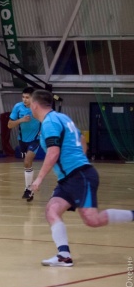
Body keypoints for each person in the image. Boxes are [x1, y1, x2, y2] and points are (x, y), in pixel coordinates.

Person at [29, 89, 134, 267]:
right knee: (52, 210)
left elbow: (53, 152)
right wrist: (79, 159)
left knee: (92, 220)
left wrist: (39, 179)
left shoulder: (49, 122)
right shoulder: (63, 118)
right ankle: (64, 256)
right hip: (70, 177)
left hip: (79, 175)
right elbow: (82, 139)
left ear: (34, 105)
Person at [8, 86, 41, 202]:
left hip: (35, 139)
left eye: (27, 97)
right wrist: (21, 120)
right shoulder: (18, 107)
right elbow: (9, 125)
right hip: (22, 140)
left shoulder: (38, 107)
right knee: (28, 164)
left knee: (27, 161)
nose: (24, 100)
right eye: (23, 97)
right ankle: (30, 191)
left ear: (33, 98)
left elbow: (47, 120)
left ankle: (28, 189)